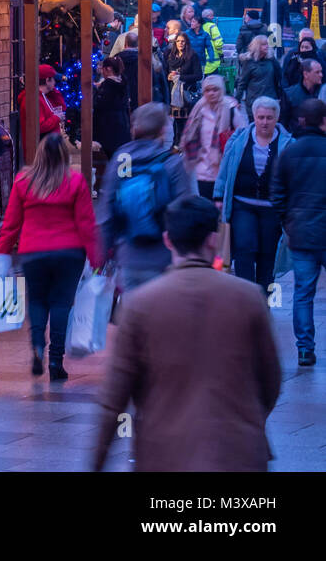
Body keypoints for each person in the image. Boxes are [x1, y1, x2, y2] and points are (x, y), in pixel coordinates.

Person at [91, 195, 281, 471]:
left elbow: (113, 400)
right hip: (239, 455)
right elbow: (270, 381)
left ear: (168, 240)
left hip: (165, 455)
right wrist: (247, 421)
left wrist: (97, 461)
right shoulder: (250, 298)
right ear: (212, 240)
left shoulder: (140, 305)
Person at [0, 133, 101, 381]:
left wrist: (0, 255)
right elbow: (86, 224)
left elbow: (10, 224)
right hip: (69, 252)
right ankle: (55, 360)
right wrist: (97, 258)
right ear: (64, 155)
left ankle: (37, 346)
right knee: (62, 304)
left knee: (38, 302)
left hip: (33, 252)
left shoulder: (24, 181)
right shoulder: (75, 181)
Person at [95, 103, 196, 291]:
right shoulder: (172, 163)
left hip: (128, 257)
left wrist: (102, 259)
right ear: (163, 130)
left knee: (133, 317)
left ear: (134, 128)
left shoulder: (121, 159)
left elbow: (106, 214)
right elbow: (185, 214)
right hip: (165, 261)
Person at [214, 96, 291, 292]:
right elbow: (225, 169)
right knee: (244, 251)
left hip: (272, 208)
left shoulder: (288, 144)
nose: (264, 122)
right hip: (242, 205)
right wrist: (218, 195)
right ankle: (245, 298)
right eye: (261, 117)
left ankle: (263, 303)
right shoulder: (239, 139)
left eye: (269, 118)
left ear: (276, 118)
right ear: (253, 117)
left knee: (268, 255)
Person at [270, 97, 326, 367]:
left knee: (303, 293)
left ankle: (305, 349)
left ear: (301, 121)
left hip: (301, 231)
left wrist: (287, 221)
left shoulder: (289, 152)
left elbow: (277, 193)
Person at [179, 75, 247, 199]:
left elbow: (244, 136)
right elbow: (189, 135)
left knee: (221, 205)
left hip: (223, 170)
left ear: (221, 90)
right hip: (202, 170)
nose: (211, 93)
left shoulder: (231, 111)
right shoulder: (198, 110)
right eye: (208, 90)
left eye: (215, 90)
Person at [17, 64, 63, 159]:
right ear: (47, 80)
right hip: (42, 154)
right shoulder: (34, 99)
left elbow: (61, 105)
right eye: (53, 79)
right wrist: (57, 118)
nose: (55, 83)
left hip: (47, 150)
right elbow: (39, 126)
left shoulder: (42, 96)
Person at [235, 34, 284, 120]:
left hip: (270, 100)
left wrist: (280, 96)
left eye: (267, 44)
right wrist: (237, 99)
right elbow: (242, 82)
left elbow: (279, 77)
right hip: (254, 101)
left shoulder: (271, 60)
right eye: (263, 44)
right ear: (257, 46)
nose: (266, 47)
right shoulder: (249, 62)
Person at [92, 55, 131, 158]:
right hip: (123, 125)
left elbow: (99, 105)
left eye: (102, 69)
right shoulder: (123, 83)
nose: (102, 72)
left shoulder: (107, 86)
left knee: (111, 159)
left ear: (108, 69)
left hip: (108, 129)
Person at [164, 32, 202, 115]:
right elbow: (165, 71)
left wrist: (180, 77)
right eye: (178, 41)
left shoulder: (192, 56)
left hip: (186, 92)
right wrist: (168, 76)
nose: (180, 43)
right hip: (171, 92)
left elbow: (199, 75)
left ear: (186, 43)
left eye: (183, 41)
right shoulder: (170, 56)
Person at [282, 57, 323, 129]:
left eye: (321, 71)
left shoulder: (323, 92)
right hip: (297, 136)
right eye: (317, 72)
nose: (321, 75)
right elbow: (284, 121)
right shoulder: (289, 94)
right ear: (306, 74)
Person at [117, 31, 141, 110]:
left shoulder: (117, 58)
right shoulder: (143, 59)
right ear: (137, 44)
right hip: (138, 94)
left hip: (121, 94)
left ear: (125, 43)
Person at [200, 9, 224, 75]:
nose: (213, 17)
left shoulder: (199, 26)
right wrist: (221, 53)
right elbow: (218, 43)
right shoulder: (212, 26)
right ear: (208, 16)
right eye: (212, 16)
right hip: (212, 61)